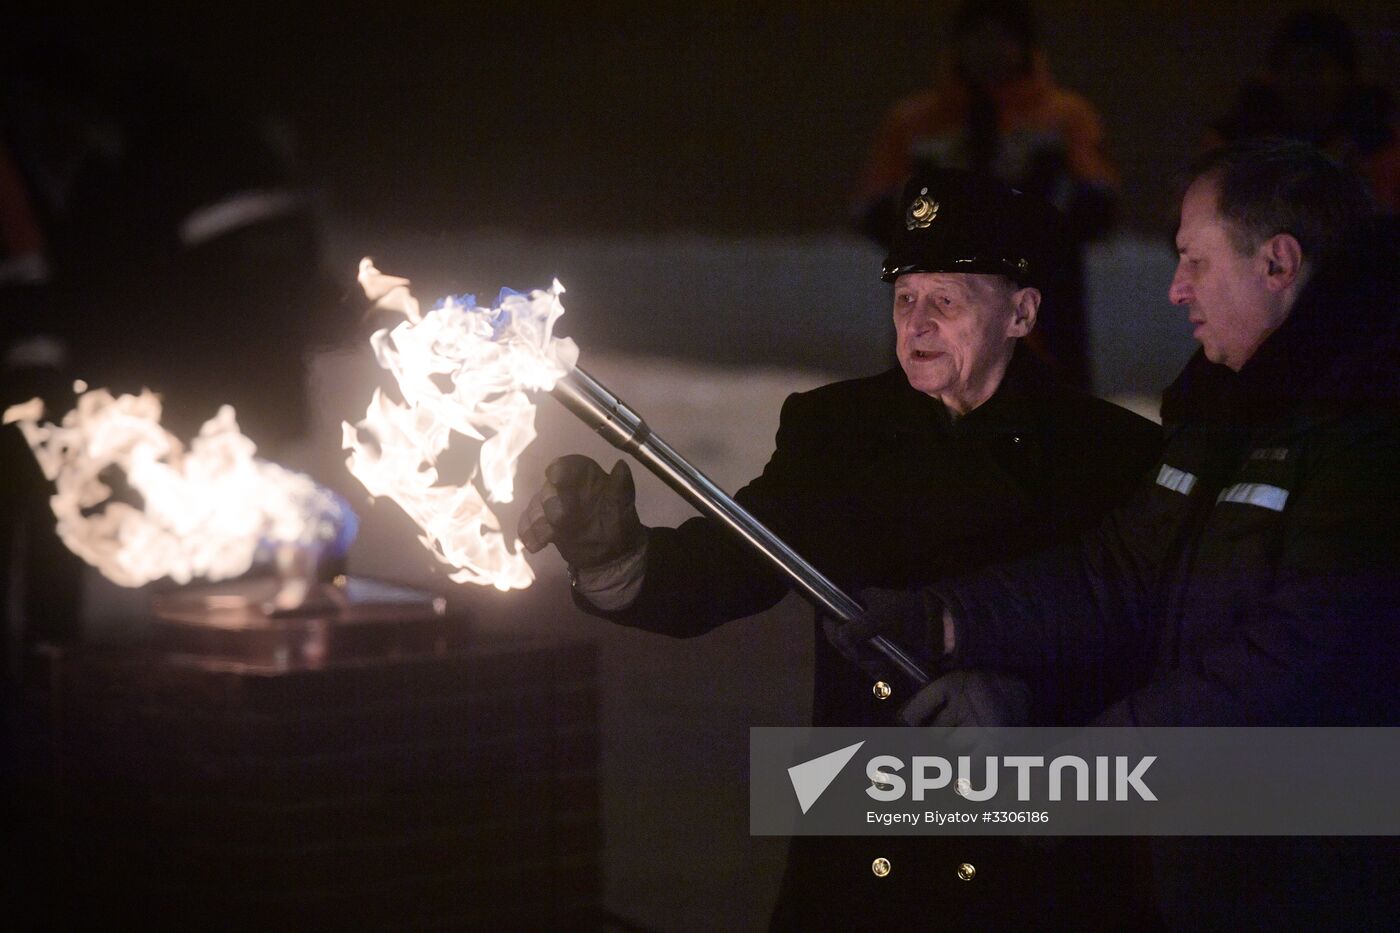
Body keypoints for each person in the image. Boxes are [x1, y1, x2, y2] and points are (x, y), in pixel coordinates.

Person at [519, 170, 1161, 928]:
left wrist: (1032, 707)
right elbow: (730, 564)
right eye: (904, 298)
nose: (916, 324)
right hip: (865, 852)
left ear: (1020, 313)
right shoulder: (839, 431)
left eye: (946, 301)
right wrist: (615, 554)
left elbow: (1144, 646)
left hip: (1030, 863)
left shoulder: (1111, 456)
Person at [837, 139, 1400, 928]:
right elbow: (1120, 573)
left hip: (1325, 877)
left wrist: (1081, 775)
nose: (1175, 290)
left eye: (1194, 260)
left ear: (1276, 263)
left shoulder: (1371, 426)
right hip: (1207, 867)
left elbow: (1298, 659)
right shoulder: (1224, 414)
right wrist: (951, 619)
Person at [851, 0, 1117, 388]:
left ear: (1023, 45)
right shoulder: (916, 122)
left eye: (1001, 38)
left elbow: (1099, 204)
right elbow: (873, 208)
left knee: (1047, 408)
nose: (989, 49)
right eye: (977, 38)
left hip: (1041, 299)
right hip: (937, 299)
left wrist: (1033, 240)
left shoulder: (1063, 118)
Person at [1207, 8, 1399, 214]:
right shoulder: (1236, 143)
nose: (1303, 80)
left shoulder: (1381, 145)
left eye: (1315, 66)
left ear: (1347, 75)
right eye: (1293, 67)